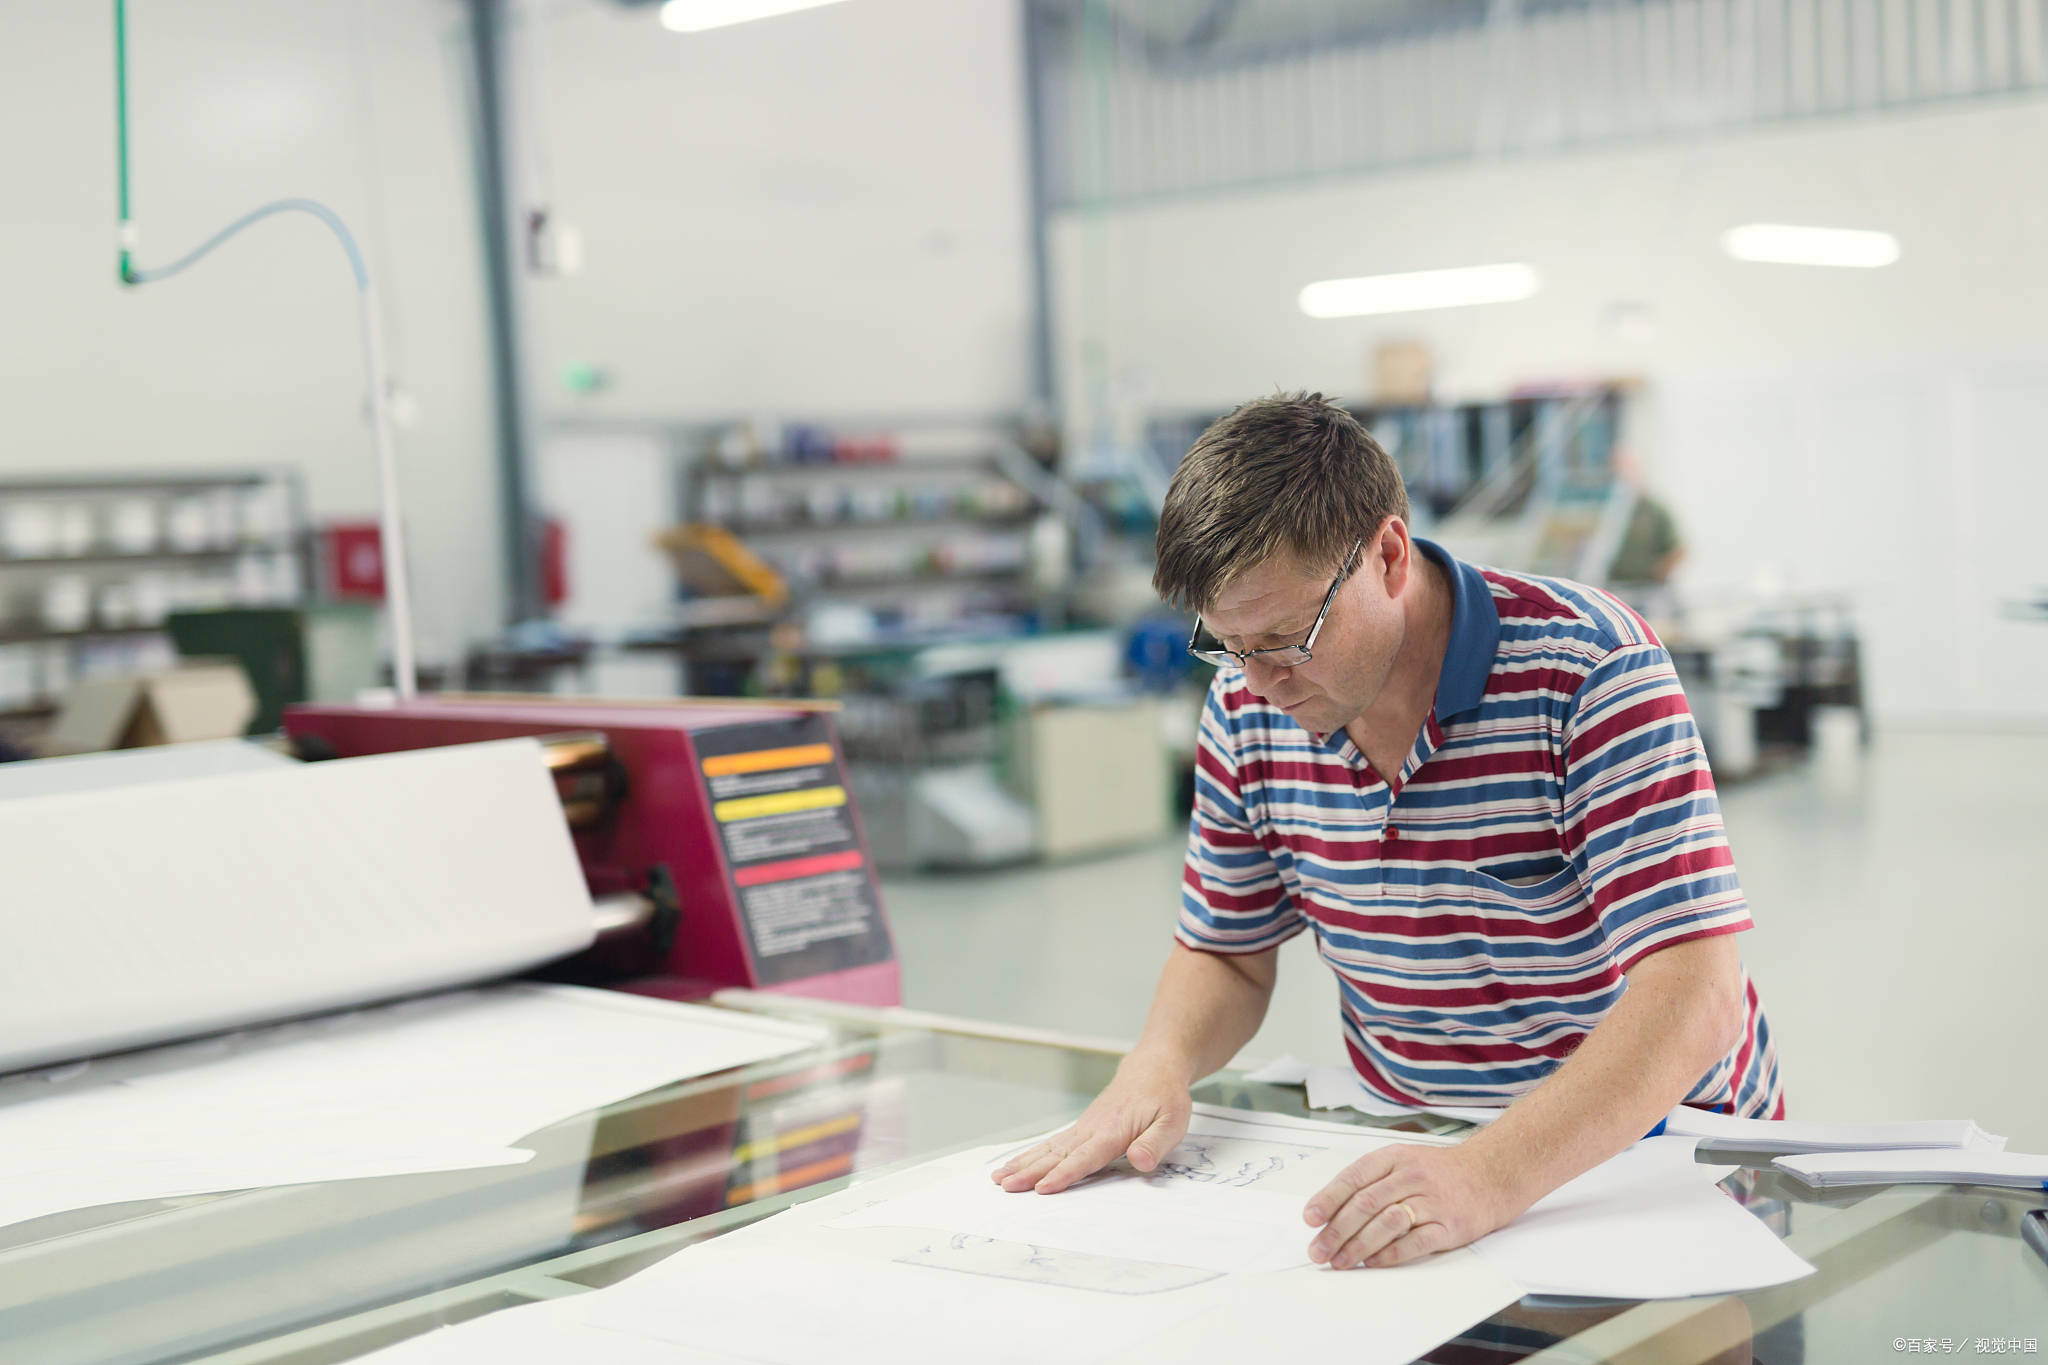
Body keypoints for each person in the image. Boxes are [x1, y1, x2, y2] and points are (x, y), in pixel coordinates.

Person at [993, 392, 1782, 1274]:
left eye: (1288, 637)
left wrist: (1489, 1176)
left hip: (1655, 1153)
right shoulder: (1247, 711)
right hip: (1427, 1148)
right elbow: (1230, 952)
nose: (1259, 682)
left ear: (1390, 555)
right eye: (1228, 644)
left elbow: (1696, 996)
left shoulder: (1590, 668)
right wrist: (1159, 1061)